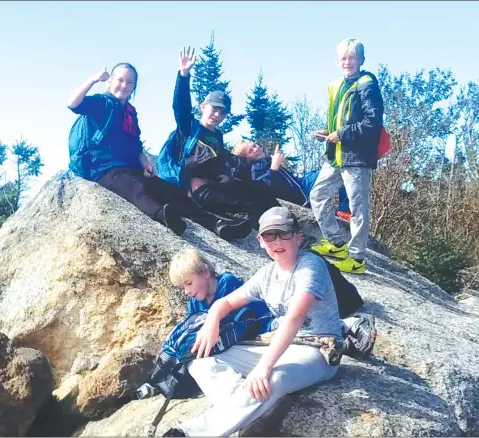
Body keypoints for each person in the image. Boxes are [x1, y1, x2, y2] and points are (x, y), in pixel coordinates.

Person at [163, 207, 376, 437]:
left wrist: (263, 368)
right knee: (200, 361)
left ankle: (189, 433)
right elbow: (225, 303)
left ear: (298, 236)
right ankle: (250, 410)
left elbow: (295, 318)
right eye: (269, 235)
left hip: (317, 349)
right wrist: (212, 321)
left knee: (275, 379)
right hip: (277, 344)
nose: (276, 241)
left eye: (283, 233)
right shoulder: (266, 274)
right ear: (260, 241)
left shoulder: (311, 266)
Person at [67, 63, 233, 238]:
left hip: (130, 167)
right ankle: (163, 216)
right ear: (110, 82)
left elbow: (135, 142)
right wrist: (93, 79)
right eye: (120, 80)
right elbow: (72, 103)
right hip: (103, 169)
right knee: (137, 189)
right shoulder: (101, 103)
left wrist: (144, 161)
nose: (124, 85)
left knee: (171, 192)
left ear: (134, 88)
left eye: (129, 82)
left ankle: (216, 224)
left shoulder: (130, 112)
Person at [157, 47, 280, 232]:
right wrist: (184, 75)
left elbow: (223, 162)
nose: (217, 115)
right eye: (214, 109)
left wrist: (225, 174)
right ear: (203, 107)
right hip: (199, 193)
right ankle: (256, 230)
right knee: (250, 200)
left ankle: (284, 227)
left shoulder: (217, 136)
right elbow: (180, 106)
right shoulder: (189, 128)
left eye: (222, 112)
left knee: (259, 190)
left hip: (214, 189)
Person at [309, 39, 384, 274]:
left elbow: (372, 123)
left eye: (352, 57)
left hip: (356, 157)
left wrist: (340, 134)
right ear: (337, 61)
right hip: (336, 155)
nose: (347, 62)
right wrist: (328, 131)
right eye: (343, 58)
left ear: (361, 60)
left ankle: (357, 259)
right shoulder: (338, 85)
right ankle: (336, 243)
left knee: (358, 208)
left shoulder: (367, 85)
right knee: (318, 194)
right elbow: (342, 118)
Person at [230, 140, 351, 219]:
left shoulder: (266, 160)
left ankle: (344, 209)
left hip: (301, 183)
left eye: (254, 145)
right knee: (339, 171)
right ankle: (344, 210)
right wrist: (274, 167)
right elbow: (265, 187)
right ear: (246, 158)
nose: (256, 149)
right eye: (250, 151)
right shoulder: (255, 169)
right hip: (300, 195)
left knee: (336, 168)